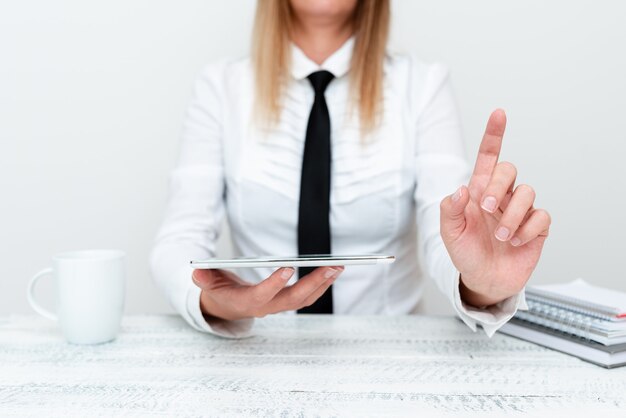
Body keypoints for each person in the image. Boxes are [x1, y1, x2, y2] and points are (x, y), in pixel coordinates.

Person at [150, 0, 551, 338]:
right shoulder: (221, 87)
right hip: (258, 350)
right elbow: (179, 239)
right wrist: (212, 299)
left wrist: (481, 284)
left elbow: (444, 234)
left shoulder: (423, 86)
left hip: (388, 359)